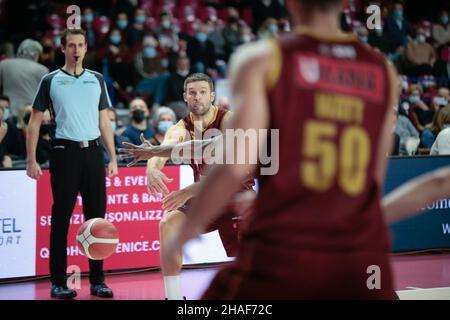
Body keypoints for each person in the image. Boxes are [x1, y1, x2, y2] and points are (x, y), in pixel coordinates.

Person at [160, 0, 401, 299]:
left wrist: (185, 230)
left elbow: (236, 163)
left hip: (295, 231)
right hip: (358, 238)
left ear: (291, 5)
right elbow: (377, 172)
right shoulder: (381, 69)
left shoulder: (261, 61)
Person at [136, 73, 251, 300]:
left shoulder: (229, 120)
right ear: (185, 97)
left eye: (202, 92)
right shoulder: (181, 127)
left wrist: (187, 191)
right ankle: (175, 298)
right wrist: (152, 169)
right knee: (168, 224)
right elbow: (164, 147)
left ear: (212, 95)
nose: (197, 97)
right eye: (192, 93)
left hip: (237, 197)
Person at [26, 28, 118, 300]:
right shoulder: (50, 79)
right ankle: (58, 283)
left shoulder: (97, 80)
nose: (76, 50)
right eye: (71, 45)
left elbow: (104, 122)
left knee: (96, 220)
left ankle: (98, 281)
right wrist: (31, 160)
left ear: (86, 48)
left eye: (80, 45)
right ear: (63, 48)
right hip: (64, 153)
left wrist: (111, 157)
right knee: (61, 219)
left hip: (92, 154)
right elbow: (33, 122)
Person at [0, 39, 49, 118]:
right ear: (35, 54)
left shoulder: (4, 64)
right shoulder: (43, 70)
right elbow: (45, 98)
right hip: (30, 115)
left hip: (8, 114)